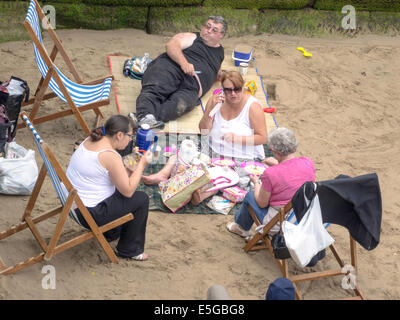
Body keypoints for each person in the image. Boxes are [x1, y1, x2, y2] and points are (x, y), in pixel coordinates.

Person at [141, 71, 267, 205]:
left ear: (243, 87)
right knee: (184, 147)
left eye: (237, 89)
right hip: (213, 151)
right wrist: (209, 111)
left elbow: (262, 138)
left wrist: (238, 139)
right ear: (223, 90)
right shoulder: (217, 101)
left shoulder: (252, 107)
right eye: (228, 90)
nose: (233, 94)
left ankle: (202, 194)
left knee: (230, 176)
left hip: (241, 156)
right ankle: (163, 174)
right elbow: (204, 130)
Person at [66, 115, 153, 261]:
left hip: (71, 202)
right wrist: (142, 165)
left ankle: (110, 232)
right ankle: (129, 250)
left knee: (124, 191)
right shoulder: (110, 156)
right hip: (89, 214)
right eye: (130, 136)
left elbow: (111, 175)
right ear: (119, 135)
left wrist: (133, 164)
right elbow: (128, 190)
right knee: (141, 199)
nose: (131, 139)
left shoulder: (90, 139)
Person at [135, 16, 227, 130]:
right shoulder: (192, 37)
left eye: (214, 30)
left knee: (181, 105)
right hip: (172, 68)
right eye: (207, 26)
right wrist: (184, 63)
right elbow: (171, 45)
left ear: (221, 35)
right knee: (156, 88)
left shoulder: (220, 52)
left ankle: (147, 119)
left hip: (192, 86)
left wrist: (224, 76)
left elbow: (216, 72)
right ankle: (144, 115)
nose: (208, 30)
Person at [226, 127, 316, 238]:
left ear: (276, 153)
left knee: (250, 195)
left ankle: (241, 227)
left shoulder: (271, 173)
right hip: (303, 217)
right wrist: (278, 165)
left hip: (280, 224)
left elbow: (261, 203)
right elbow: (293, 175)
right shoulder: (307, 162)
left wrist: (256, 182)